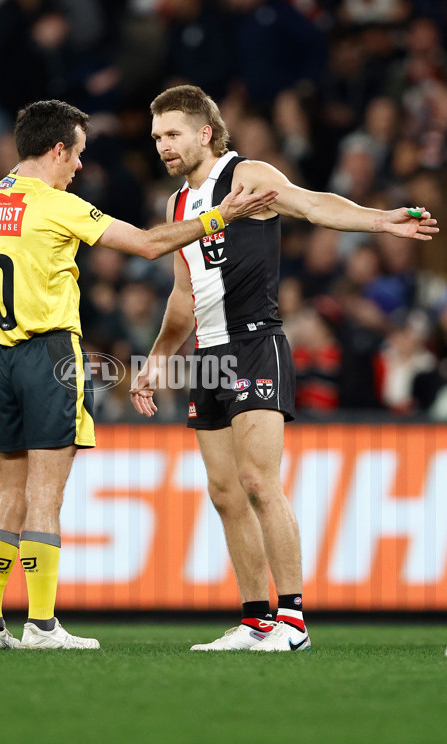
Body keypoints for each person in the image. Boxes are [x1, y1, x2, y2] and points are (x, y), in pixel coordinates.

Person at [130, 85, 439, 652]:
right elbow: (182, 294)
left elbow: (315, 204)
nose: (163, 146)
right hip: (209, 357)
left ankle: (292, 621)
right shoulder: (178, 206)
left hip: (255, 344)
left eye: (172, 134)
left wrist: (381, 221)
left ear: (204, 133)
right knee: (224, 493)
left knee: (257, 481)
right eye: (156, 138)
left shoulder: (246, 175)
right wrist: (154, 362)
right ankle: (254, 620)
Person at [0, 99, 277, 651]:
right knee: (45, 496)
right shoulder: (56, 204)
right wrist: (218, 218)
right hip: (47, 355)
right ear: (57, 149)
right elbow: (149, 244)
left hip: (2, 358)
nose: (80, 167)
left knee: (8, 496)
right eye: (78, 154)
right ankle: (41, 625)